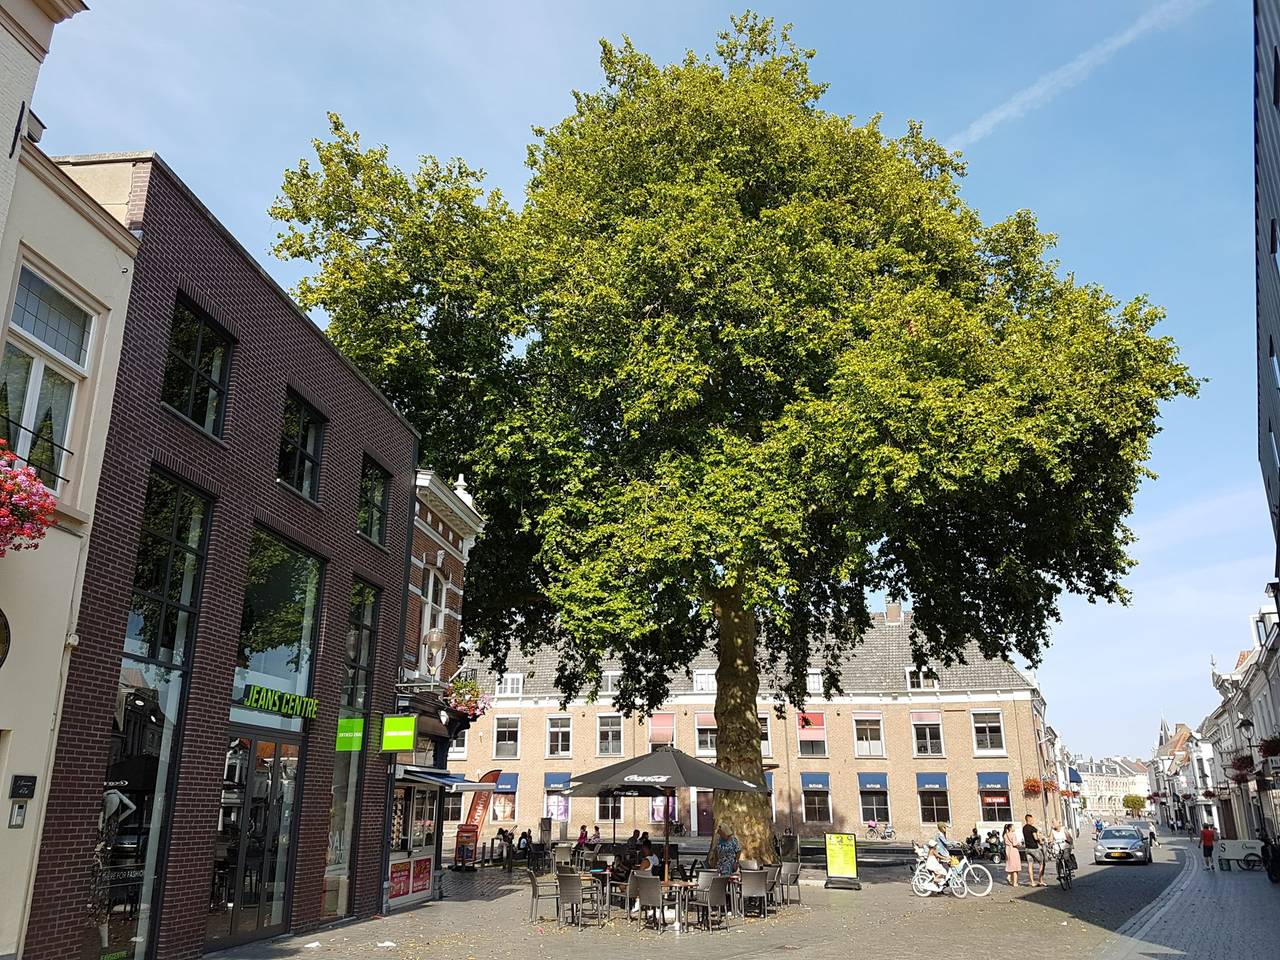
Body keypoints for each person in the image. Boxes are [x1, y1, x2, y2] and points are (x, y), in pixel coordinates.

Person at [1022, 814, 1045, 886]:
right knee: (1042, 863)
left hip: (1027, 849)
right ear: (1029, 819)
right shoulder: (1032, 828)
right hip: (1034, 848)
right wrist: (1040, 840)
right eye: (1032, 819)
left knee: (1030, 865)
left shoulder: (1024, 828)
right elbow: (1035, 838)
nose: (1033, 821)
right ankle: (1040, 880)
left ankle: (1032, 882)